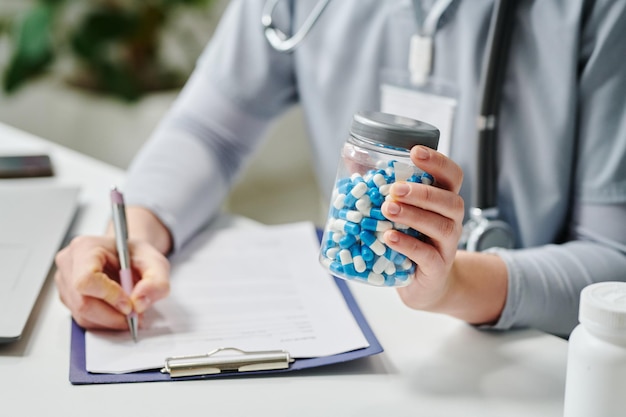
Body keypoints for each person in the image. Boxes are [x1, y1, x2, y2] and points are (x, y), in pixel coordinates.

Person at [54, 0, 626, 338]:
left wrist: (452, 285)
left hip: (530, 354)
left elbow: (613, 260)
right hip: (352, 326)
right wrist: (136, 235)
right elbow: (213, 129)